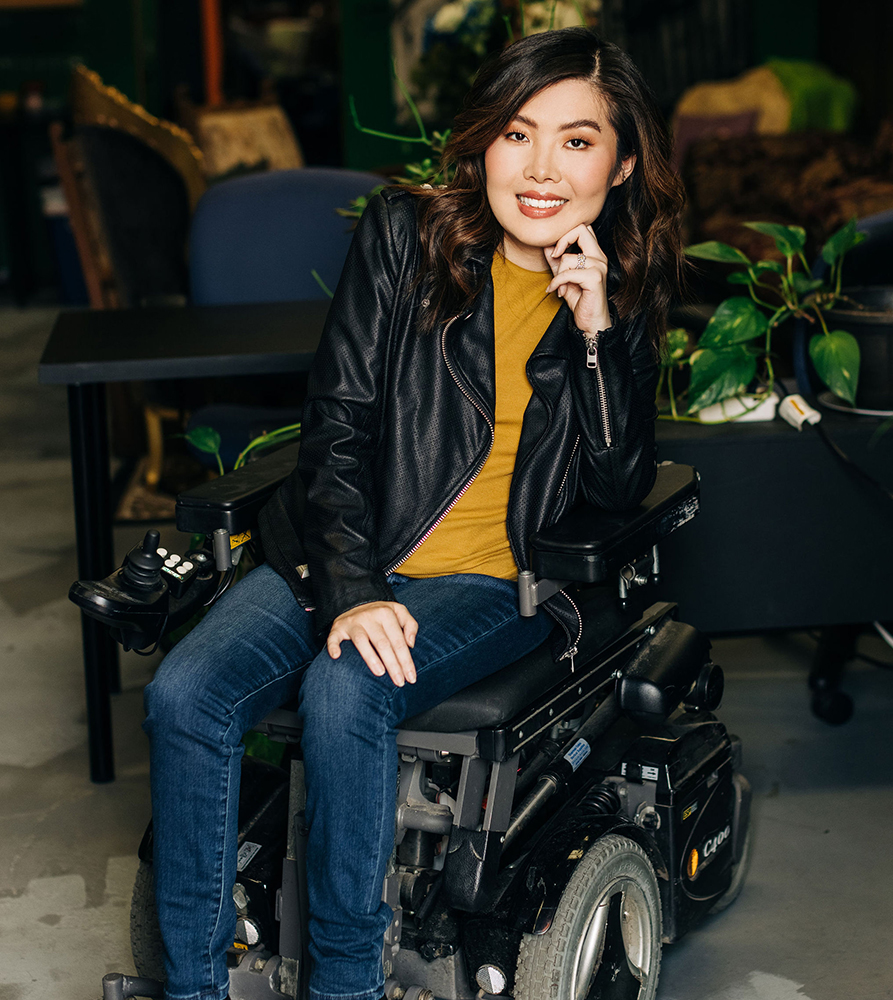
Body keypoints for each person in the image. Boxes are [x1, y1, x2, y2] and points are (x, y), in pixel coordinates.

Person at [142, 26, 684, 1000]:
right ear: (483, 142)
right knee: (186, 691)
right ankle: (192, 986)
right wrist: (350, 587)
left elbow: (613, 485)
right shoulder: (406, 235)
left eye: (577, 140)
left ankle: (344, 983)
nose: (541, 168)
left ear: (623, 159)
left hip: (491, 580)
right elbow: (338, 423)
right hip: (349, 552)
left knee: (347, 688)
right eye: (518, 134)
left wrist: (599, 332)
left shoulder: (625, 289)